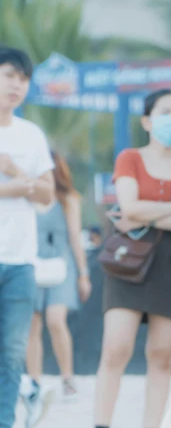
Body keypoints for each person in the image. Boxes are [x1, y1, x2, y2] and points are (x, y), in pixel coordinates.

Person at [93, 89, 171, 428]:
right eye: (166, 111)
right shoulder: (129, 157)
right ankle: (101, 423)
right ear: (147, 120)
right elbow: (128, 207)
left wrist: (147, 215)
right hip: (127, 261)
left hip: (170, 264)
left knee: (161, 356)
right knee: (116, 348)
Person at [0, 46, 55, 428]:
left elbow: (48, 194)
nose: (16, 85)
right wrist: (20, 186)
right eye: (8, 75)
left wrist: (16, 173)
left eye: (22, 79)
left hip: (20, 260)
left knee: (13, 352)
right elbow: (30, 189)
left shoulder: (31, 134)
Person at [26, 151, 92, 403]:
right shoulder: (24, 195)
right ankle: (34, 381)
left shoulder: (68, 199)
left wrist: (83, 274)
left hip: (61, 266)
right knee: (33, 323)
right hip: (31, 263)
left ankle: (67, 376)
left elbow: (75, 238)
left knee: (56, 319)